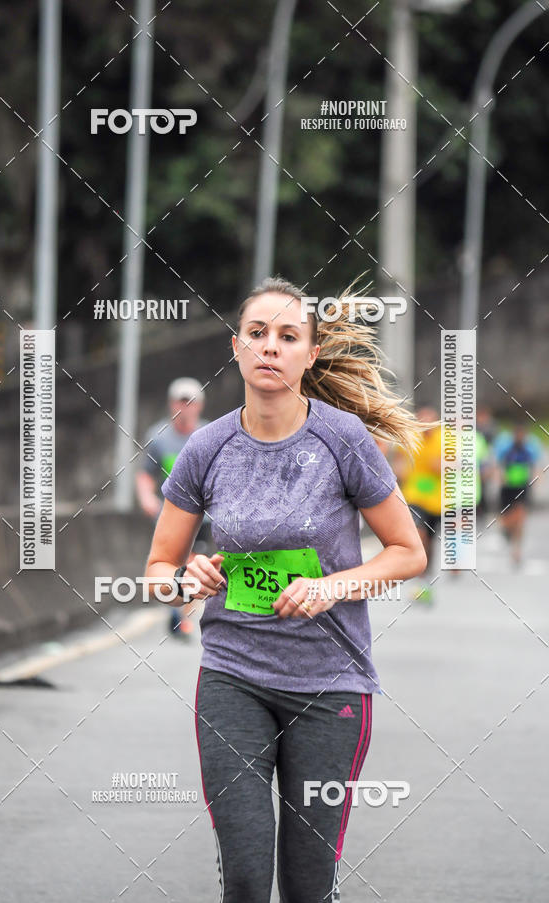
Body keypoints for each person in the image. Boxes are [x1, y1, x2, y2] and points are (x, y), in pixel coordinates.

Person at [144, 277, 427, 902]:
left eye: (288, 336)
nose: (270, 347)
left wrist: (333, 587)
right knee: (245, 876)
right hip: (232, 678)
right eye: (257, 334)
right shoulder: (206, 448)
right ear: (237, 348)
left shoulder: (343, 439)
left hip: (330, 686)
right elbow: (159, 568)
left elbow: (409, 553)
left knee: (306, 883)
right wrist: (185, 579)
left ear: (310, 353)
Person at [136, 377, 212, 637]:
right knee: (170, 564)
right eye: (181, 401)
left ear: (199, 406)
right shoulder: (158, 438)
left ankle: (181, 617)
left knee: (192, 565)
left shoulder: (209, 435)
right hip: (169, 516)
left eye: (191, 402)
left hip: (202, 518)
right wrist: (147, 497)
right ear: (172, 404)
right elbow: (145, 474)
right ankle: (176, 612)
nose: (186, 407)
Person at [391, 406, 442, 604]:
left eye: (430, 424)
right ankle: (419, 580)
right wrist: (399, 470)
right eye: (422, 423)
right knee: (419, 535)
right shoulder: (410, 437)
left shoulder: (445, 439)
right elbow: (398, 460)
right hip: (414, 497)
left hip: (437, 501)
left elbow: (456, 463)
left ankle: (425, 578)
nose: (425, 427)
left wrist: (442, 466)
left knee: (430, 541)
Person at [493, 420, 542, 566]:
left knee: (520, 517)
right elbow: (497, 464)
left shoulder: (530, 448)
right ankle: (505, 529)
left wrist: (536, 480)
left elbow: (535, 466)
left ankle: (517, 550)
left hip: (523, 487)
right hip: (507, 487)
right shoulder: (505, 447)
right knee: (507, 518)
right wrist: (499, 478)